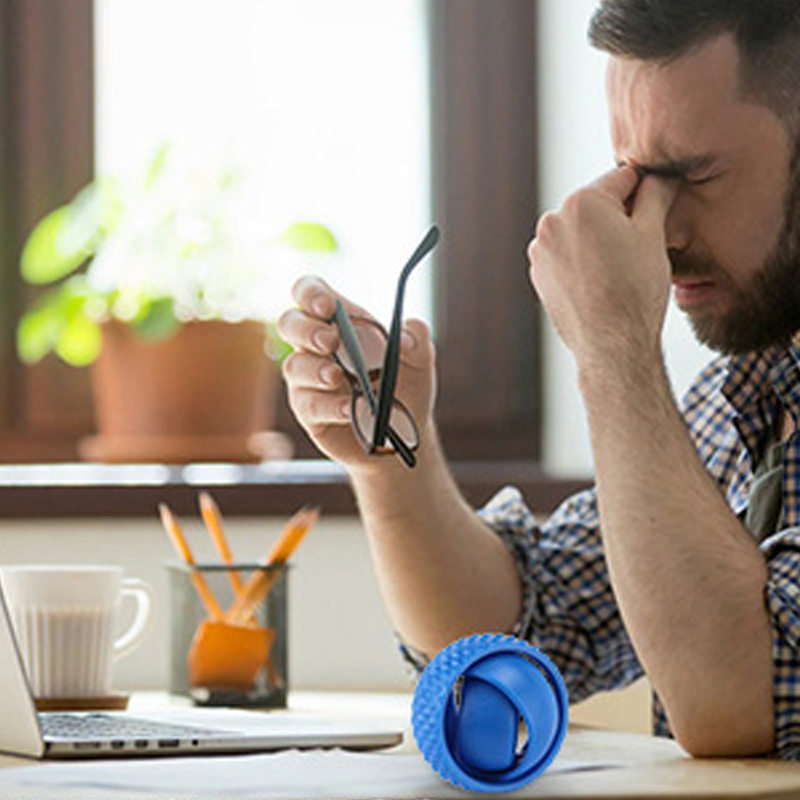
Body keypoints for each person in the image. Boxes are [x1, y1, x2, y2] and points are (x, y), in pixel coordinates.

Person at [278, 0, 800, 759]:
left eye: (695, 174)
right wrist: (391, 457)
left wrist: (614, 345)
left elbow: (746, 701)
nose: (658, 231)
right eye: (637, 178)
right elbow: (518, 628)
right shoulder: (750, 391)